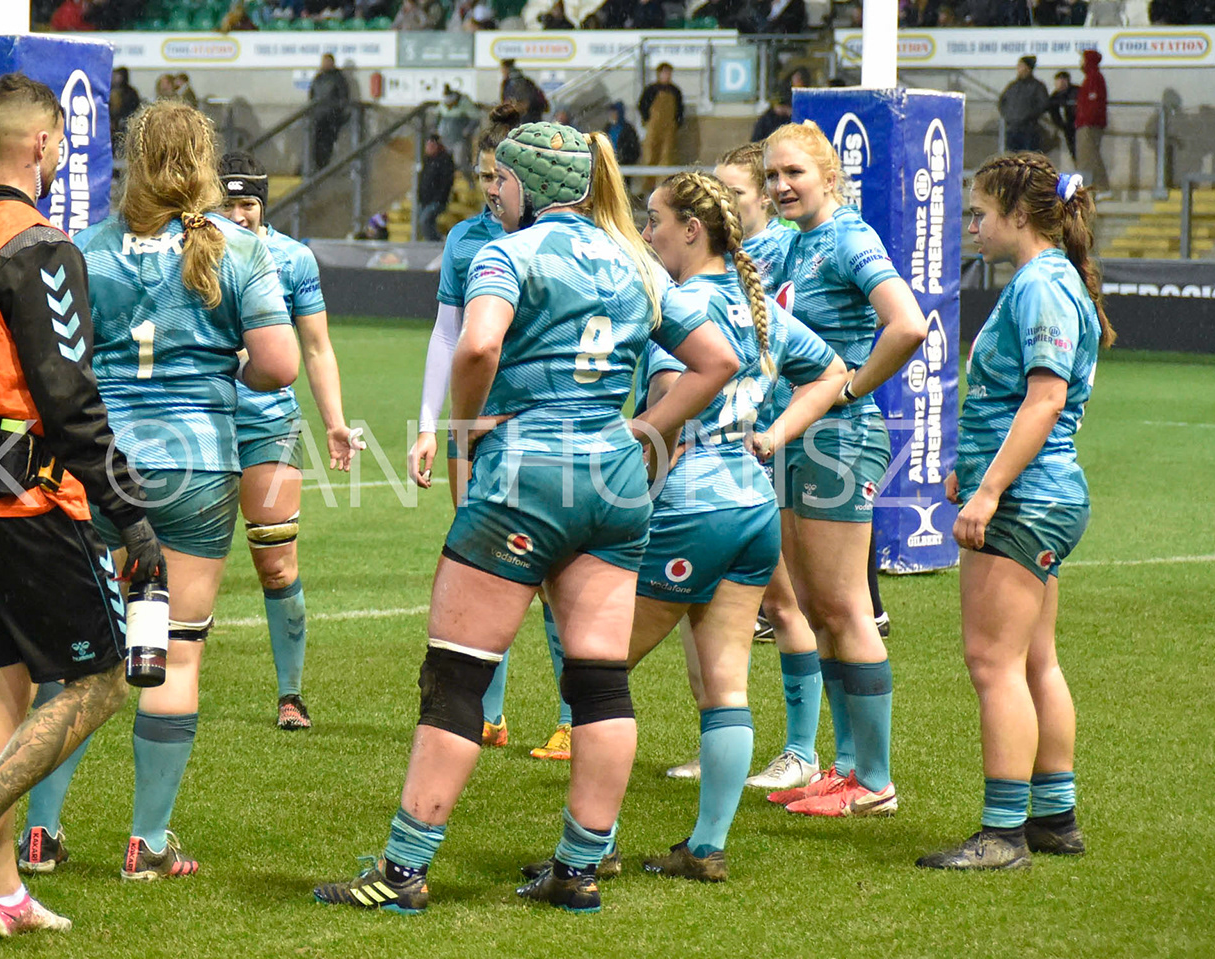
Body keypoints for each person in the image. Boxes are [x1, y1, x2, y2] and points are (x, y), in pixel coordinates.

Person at [314, 122, 738, 915]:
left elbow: (477, 347)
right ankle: (577, 867)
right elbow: (718, 360)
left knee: (456, 675)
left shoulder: (506, 253)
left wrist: (464, 432)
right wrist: (648, 431)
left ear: (531, 185)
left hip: (527, 466)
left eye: (501, 180)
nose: (492, 192)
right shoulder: (635, 260)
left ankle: (402, 870)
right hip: (612, 475)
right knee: (599, 680)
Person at [0, 72, 165, 939]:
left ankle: (0, 886)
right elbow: (69, 394)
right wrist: (133, 517)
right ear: (44, 145)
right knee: (99, 677)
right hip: (20, 486)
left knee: (5, 683)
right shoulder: (36, 243)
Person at [7, 100, 301, 884]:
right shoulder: (238, 246)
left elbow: (52, 365)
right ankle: (148, 843)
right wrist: (214, 374)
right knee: (176, 654)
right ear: (203, 163)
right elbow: (279, 364)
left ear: (131, 162)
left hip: (95, 463)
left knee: (75, 656)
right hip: (198, 464)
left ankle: (40, 835)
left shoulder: (85, 248)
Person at [624, 171, 847, 880]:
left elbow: (666, 412)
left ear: (692, 229)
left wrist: (627, 500)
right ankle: (706, 846)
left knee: (592, 671)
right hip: (752, 505)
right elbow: (833, 371)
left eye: (654, 219)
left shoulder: (678, 306)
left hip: (693, 506)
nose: (648, 232)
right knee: (724, 683)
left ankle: (587, 846)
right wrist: (775, 435)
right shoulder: (755, 308)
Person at [917, 156, 1109, 871]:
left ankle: (1003, 834)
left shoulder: (1041, 284)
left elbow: (1045, 400)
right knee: (1033, 658)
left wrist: (990, 490)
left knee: (992, 662)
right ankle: (1054, 817)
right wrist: (977, 469)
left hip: (1029, 499)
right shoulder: (1052, 280)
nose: (972, 224)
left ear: (1018, 215)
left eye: (979, 213)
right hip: (1044, 494)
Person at [760, 121, 928, 817]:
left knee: (847, 608)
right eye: (771, 175)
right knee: (822, 609)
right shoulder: (791, 242)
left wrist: (854, 386)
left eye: (794, 173)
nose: (779, 186)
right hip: (801, 437)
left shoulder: (850, 236)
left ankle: (876, 779)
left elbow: (909, 324)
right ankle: (847, 766)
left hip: (839, 439)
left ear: (829, 176)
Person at [211, 149, 359, 736]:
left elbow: (317, 347)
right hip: (201, 420)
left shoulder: (293, 259)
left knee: (276, 563)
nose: (239, 215)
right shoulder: (193, 251)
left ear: (263, 205)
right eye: (229, 202)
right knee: (175, 560)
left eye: (248, 203)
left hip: (270, 422)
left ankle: (290, 694)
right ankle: (156, 683)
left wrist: (335, 422)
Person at [404, 103, 534, 755]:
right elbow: (449, 333)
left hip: (537, 422)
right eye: (483, 173)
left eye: (499, 175)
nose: (488, 187)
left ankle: (573, 718)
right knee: (485, 563)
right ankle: (490, 712)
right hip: (474, 422)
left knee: (560, 580)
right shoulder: (465, 239)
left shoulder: (551, 239)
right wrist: (431, 423)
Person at [704, 140, 827, 792]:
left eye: (733, 192)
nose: (720, 204)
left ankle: (803, 749)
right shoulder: (728, 257)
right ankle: (721, 737)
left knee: (781, 601)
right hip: (735, 444)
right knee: (721, 599)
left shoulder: (776, 251)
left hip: (766, 444)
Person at [640, 64, 685, 190]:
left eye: (669, 73)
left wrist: (677, 124)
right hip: (653, 128)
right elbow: (642, 106)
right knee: (650, 157)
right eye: (664, 73)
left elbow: (680, 110)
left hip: (669, 130)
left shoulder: (675, 91)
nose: (666, 75)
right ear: (658, 74)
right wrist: (648, 120)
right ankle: (648, 188)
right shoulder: (651, 90)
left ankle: (664, 188)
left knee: (667, 158)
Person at [308, 54, 351, 171]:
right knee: (316, 144)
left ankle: (325, 168)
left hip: (332, 118)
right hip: (318, 117)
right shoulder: (318, 78)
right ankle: (318, 167)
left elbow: (343, 97)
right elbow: (312, 95)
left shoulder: (338, 78)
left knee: (328, 144)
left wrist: (339, 114)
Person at [1000, 56, 1049, 154]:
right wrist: (1008, 116)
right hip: (1012, 129)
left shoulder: (1037, 86)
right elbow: (1002, 101)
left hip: (1029, 130)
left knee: (1028, 159)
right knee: (1011, 159)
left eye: (1022, 66)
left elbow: (1043, 104)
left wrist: (1027, 116)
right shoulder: (1013, 86)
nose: (1019, 69)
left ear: (1029, 68)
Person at [1075, 51, 1109, 193]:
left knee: (1090, 158)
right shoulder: (1090, 77)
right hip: (1085, 123)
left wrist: (1086, 120)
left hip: (1089, 125)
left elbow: (1093, 103)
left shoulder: (1095, 78)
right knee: (1086, 158)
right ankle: (1093, 190)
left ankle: (1101, 189)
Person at [415, 134, 456, 242]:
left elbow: (446, 182)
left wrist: (439, 197)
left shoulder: (444, 161)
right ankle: (434, 241)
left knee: (425, 221)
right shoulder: (427, 161)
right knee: (426, 222)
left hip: (437, 200)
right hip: (425, 199)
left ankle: (436, 241)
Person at [436, 86, 481, 175]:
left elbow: (476, 118)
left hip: (459, 139)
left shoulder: (465, 104)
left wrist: (467, 130)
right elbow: (437, 117)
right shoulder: (442, 105)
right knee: (445, 162)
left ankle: (468, 180)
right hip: (445, 139)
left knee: (460, 162)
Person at [1047, 71, 1077, 162]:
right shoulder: (1054, 96)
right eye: (1058, 81)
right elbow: (1052, 112)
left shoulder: (1076, 92)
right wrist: (1060, 124)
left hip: (1077, 126)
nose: (1060, 84)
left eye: (1063, 81)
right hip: (1066, 128)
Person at [601, 101, 640, 169]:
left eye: (614, 113)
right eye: (610, 113)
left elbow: (635, 150)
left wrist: (626, 160)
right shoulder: (607, 128)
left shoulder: (628, 130)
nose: (611, 115)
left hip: (624, 166)